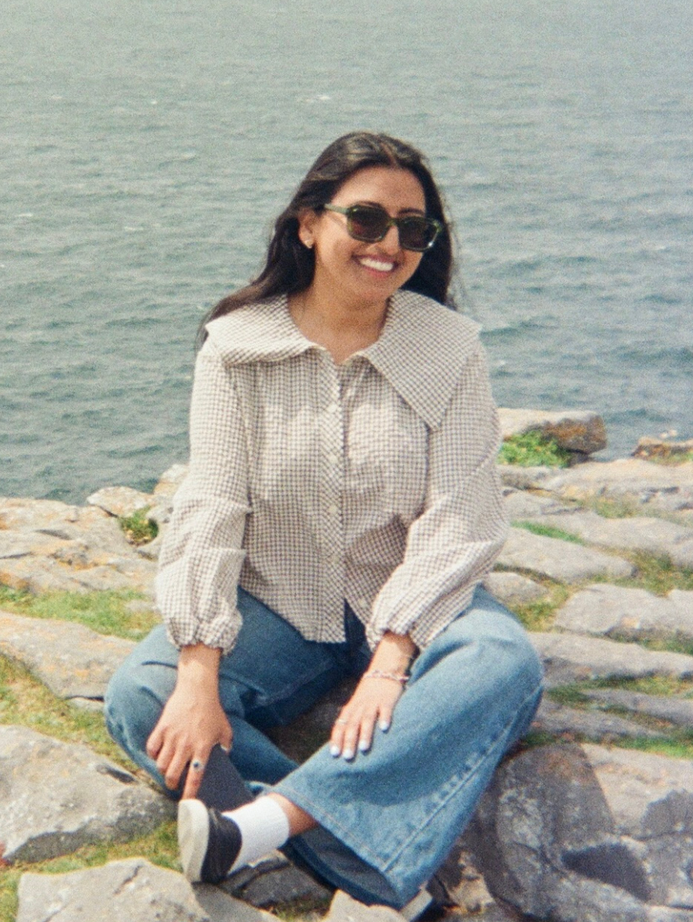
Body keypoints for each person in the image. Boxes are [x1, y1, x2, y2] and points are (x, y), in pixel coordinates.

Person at [103, 132, 544, 913]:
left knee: (502, 660)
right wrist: (200, 672)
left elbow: (462, 516)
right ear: (309, 222)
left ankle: (263, 822)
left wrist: (393, 657)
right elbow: (211, 506)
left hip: (413, 598)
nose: (390, 246)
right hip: (279, 602)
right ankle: (361, 850)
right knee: (147, 692)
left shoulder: (450, 350)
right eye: (367, 220)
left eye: (415, 230)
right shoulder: (236, 349)